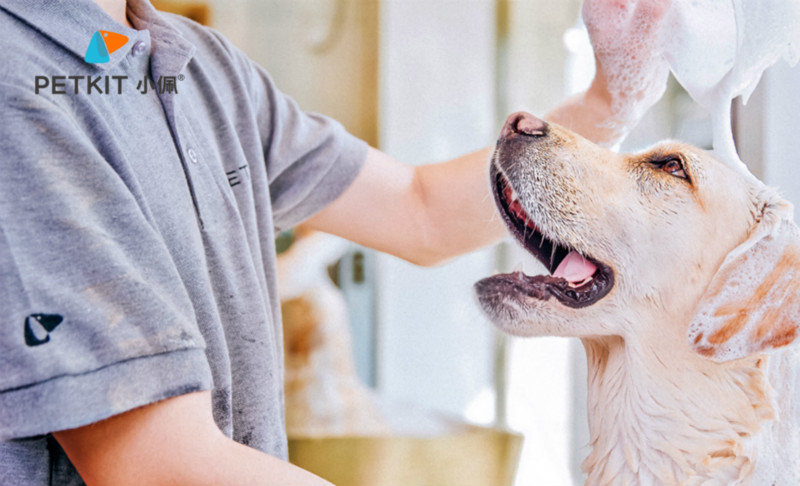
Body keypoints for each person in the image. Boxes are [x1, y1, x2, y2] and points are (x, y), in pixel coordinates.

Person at [0, 0, 668, 484]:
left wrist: (608, 105)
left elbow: (420, 210)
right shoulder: (18, 85)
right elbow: (153, 464)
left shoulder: (196, 64)